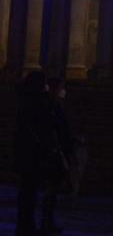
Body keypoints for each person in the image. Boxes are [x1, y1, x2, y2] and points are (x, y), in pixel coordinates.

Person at [14, 71, 57, 236]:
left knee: (27, 194)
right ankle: (27, 227)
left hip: (26, 154)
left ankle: (25, 226)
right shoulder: (37, 102)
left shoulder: (25, 100)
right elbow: (45, 127)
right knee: (29, 194)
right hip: (34, 155)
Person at [41, 77, 75, 234]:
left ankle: (47, 222)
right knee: (50, 191)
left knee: (51, 192)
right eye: (62, 88)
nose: (64, 91)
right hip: (54, 155)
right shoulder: (52, 107)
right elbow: (59, 131)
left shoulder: (54, 106)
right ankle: (46, 223)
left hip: (55, 153)